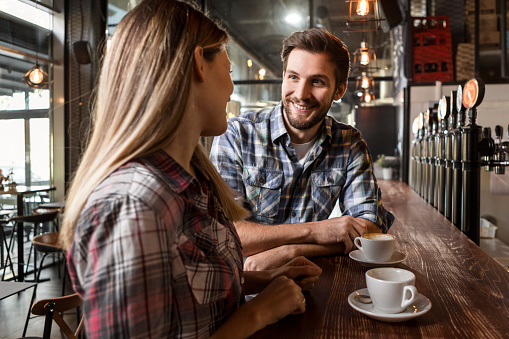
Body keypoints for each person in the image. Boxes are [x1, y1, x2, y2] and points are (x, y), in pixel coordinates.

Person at [59, 1, 322, 338]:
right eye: (228, 71)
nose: (230, 88)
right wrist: (258, 312)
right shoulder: (134, 206)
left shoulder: (193, 178)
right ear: (199, 63)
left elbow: (186, 292)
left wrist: (261, 279)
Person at [210, 28, 394, 271]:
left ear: (339, 90)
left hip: (313, 281)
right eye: (293, 77)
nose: (301, 94)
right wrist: (316, 231)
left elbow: (369, 228)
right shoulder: (236, 134)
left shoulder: (349, 142)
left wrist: (292, 250)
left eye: (317, 81)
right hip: (244, 286)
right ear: (284, 76)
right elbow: (223, 234)